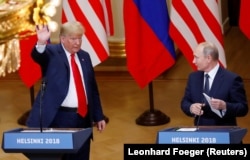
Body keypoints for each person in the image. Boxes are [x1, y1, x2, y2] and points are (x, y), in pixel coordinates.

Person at [26, 21, 106, 160]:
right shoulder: (51, 53)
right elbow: (38, 55)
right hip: (60, 118)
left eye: (80, 38)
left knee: (81, 155)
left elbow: (92, 89)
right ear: (63, 39)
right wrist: (41, 41)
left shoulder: (84, 56)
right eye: (73, 38)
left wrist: (98, 116)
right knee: (62, 156)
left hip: (83, 117)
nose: (77, 42)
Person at [181, 41, 248, 126]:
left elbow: (243, 108)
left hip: (224, 135)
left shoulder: (232, 79)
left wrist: (225, 106)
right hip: (200, 134)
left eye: (196, 57)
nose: (193, 61)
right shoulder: (193, 78)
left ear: (208, 58)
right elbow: (185, 102)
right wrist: (191, 108)